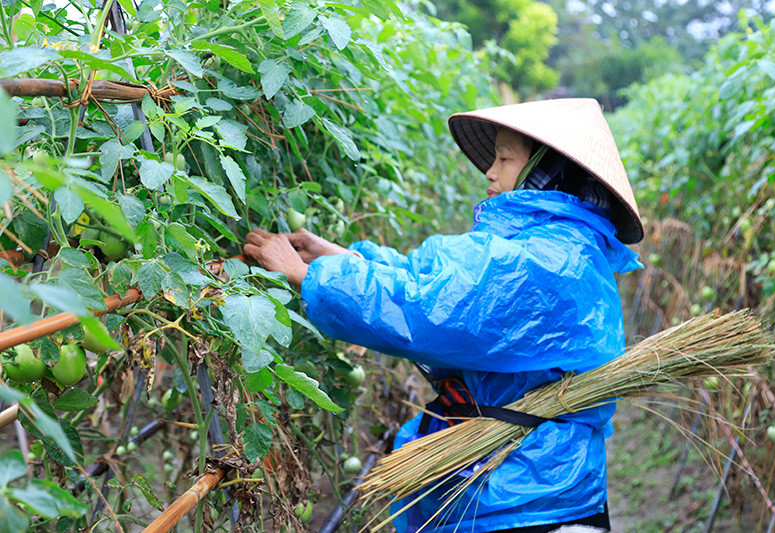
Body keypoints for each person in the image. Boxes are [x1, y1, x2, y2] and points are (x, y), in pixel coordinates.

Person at [244, 98, 643, 532]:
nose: (490, 171)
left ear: (545, 174)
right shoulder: (556, 246)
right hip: (532, 478)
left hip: (526, 493)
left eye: (505, 158)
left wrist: (309, 276)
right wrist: (341, 258)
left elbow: (428, 310)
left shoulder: (543, 261)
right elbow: (438, 282)